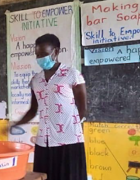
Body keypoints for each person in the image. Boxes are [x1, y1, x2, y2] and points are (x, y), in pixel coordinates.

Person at [13, 34, 87, 180]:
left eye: (44, 54)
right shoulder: (36, 80)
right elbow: (33, 110)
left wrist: (72, 128)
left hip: (68, 140)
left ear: (56, 52)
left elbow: (82, 107)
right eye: (38, 54)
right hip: (44, 141)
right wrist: (16, 124)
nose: (40, 58)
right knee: (44, 176)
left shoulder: (71, 74)